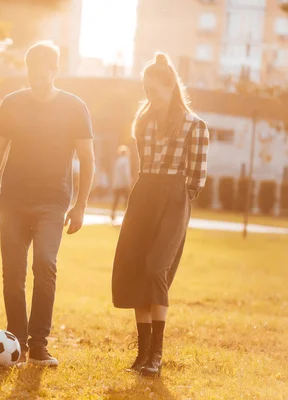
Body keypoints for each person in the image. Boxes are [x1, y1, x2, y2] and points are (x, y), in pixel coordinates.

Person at [0, 41, 95, 367]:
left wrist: (81, 205)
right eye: (30, 70)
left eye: (41, 71)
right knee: (12, 274)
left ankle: (38, 344)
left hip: (53, 203)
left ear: (55, 70)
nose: (34, 77)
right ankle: (17, 342)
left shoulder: (74, 107)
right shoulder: (12, 103)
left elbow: (87, 158)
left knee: (44, 264)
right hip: (12, 199)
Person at [111, 53, 209, 377]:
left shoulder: (196, 126)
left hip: (174, 196)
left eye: (153, 90)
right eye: (146, 90)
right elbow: (142, 164)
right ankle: (142, 355)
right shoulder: (144, 121)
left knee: (156, 268)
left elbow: (196, 178)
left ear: (170, 86)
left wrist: (178, 198)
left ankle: (157, 353)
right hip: (144, 192)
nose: (149, 96)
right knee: (139, 267)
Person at [110, 145, 132, 222]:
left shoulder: (118, 161)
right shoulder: (126, 160)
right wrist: (128, 182)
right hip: (123, 184)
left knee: (116, 200)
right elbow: (126, 173)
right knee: (127, 200)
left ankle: (112, 214)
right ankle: (127, 215)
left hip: (117, 184)